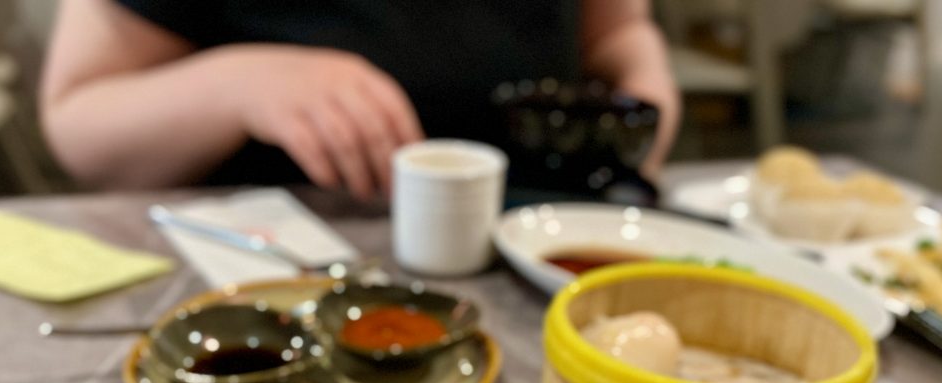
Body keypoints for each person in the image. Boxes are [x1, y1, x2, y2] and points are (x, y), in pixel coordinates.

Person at [40, 0, 680, 199]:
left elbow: (619, 32)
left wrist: (646, 105)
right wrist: (236, 83)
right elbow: (79, 121)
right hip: (273, 275)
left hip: (540, 235)